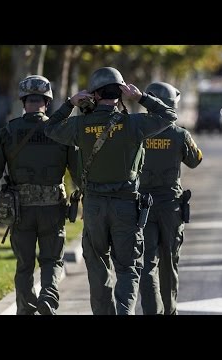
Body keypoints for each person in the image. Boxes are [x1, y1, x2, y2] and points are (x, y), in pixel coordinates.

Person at [44, 67, 177, 315]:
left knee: (97, 267)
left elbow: (50, 128)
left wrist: (70, 103)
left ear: (93, 95)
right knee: (127, 268)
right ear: (121, 93)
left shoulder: (79, 125)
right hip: (126, 207)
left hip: (94, 207)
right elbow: (169, 116)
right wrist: (142, 98)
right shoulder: (135, 124)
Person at [0, 75, 79, 315]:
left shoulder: (8, 133)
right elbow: (78, 171)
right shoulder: (60, 131)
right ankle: (48, 297)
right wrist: (84, 200)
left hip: (20, 211)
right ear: (48, 101)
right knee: (52, 260)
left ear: (23, 101)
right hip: (53, 208)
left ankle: (26, 309)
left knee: (24, 266)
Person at [139, 82, 203, 315]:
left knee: (147, 265)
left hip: (143, 207)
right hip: (170, 207)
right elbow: (195, 160)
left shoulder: (138, 132)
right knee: (169, 263)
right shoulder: (179, 135)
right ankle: (170, 310)